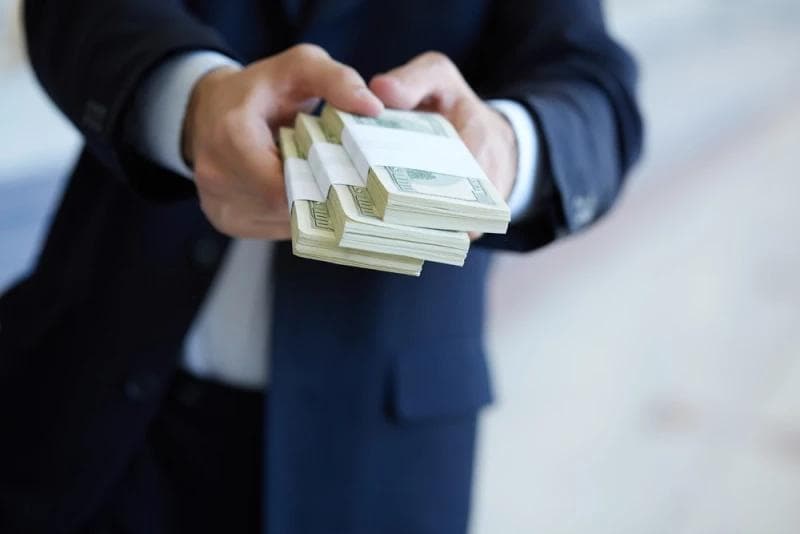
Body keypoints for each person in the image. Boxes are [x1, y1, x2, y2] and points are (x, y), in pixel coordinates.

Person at [0, 1, 642, 533]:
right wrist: (191, 101)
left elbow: (595, 88)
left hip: (375, 451)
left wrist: (504, 147)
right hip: (87, 396)